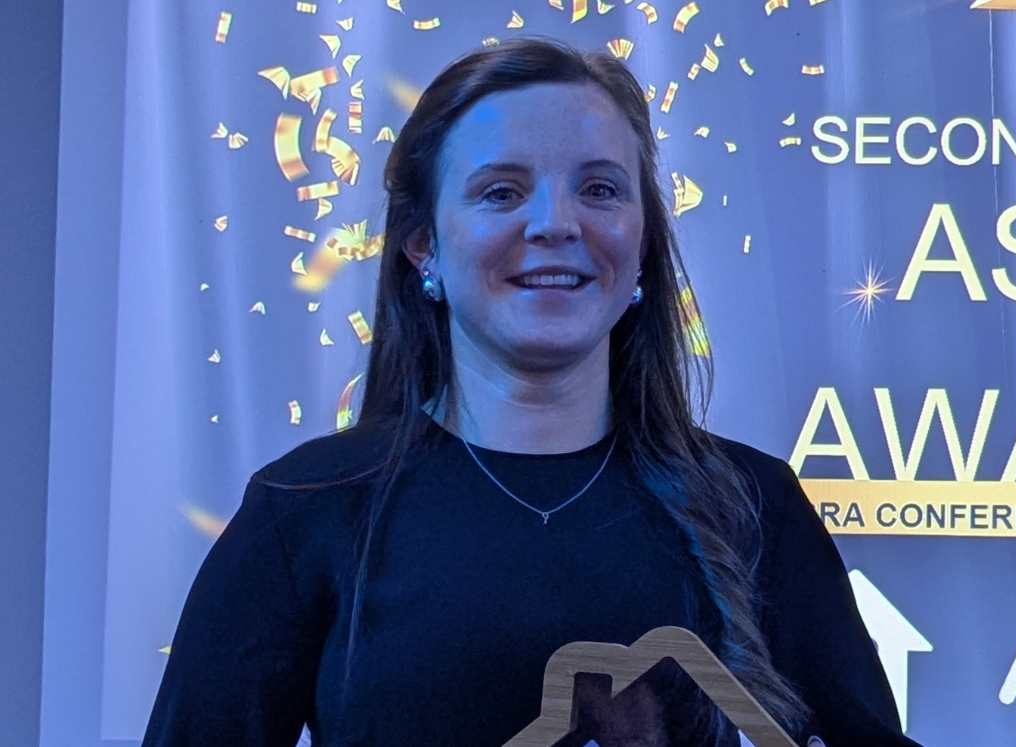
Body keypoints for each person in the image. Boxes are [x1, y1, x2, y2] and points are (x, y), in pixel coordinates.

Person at [142, 37, 919, 747]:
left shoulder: (757, 506)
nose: (556, 222)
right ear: (424, 248)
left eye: (601, 189)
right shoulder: (306, 508)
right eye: (501, 192)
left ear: (643, 243)